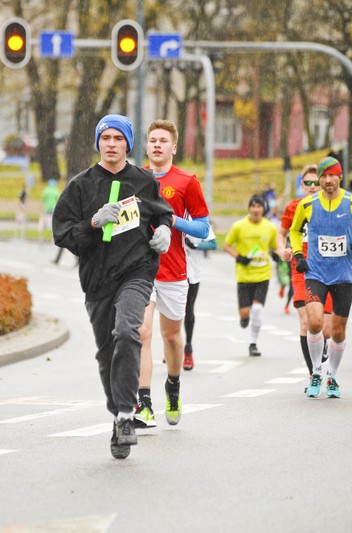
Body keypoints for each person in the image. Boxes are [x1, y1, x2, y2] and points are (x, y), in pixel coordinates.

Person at [52, 114, 173, 460]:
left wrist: (163, 231)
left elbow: (161, 213)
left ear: (128, 144)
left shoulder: (143, 180)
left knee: (127, 332)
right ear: (97, 143)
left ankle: (125, 416)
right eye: (105, 138)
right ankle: (117, 412)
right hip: (97, 280)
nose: (111, 144)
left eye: (118, 138)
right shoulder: (80, 186)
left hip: (136, 273)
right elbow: (62, 233)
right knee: (107, 353)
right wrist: (91, 223)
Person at [134, 119, 210, 430]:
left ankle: (174, 386)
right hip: (140, 269)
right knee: (142, 332)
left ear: (174, 147)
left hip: (174, 270)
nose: (156, 145)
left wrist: (172, 221)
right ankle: (144, 403)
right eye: (152, 140)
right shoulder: (135, 178)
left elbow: (204, 228)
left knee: (172, 337)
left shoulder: (186, 181)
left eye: (163, 140)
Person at [289, 156, 352, 398]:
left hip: (343, 276)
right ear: (319, 179)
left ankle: (333, 377)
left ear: (340, 177)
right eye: (324, 176)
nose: (328, 180)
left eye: (333, 176)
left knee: (338, 332)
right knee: (314, 322)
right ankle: (316, 371)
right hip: (315, 272)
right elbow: (295, 231)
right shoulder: (307, 205)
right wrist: (298, 254)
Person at [277, 164, 333, 378]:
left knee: (324, 329)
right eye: (307, 183)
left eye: (314, 183)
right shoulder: (293, 207)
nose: (311, 187)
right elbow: (281, 234)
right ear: (301, 185)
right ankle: (313, 373)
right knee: (306, 322)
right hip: (301, 270)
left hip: (327, 270)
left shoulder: (332, 206)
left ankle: (322, 345)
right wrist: (283, 249)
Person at [224, 194, 279, 358]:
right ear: (249, 208)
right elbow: (227, 245)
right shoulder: (239, 226)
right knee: (245, 314)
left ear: (263, 209)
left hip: (263, 274)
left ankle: (253, 343)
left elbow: (274, 246)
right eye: (253, 206)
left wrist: (277, 255)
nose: (256, 209)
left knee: (257, 310)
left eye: (259, 206)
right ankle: (244, 318)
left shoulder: (270, 227)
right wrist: (239, 257)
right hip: (244, 276)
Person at [184, 224, 217, 370]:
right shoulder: (171, 213)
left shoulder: (199, 220)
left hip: (192, 274)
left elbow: (213, 243)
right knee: (170, 311)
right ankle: (172, 344)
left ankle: (188, 348)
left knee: (188, 309)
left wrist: (196, 245)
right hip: (171, 272)